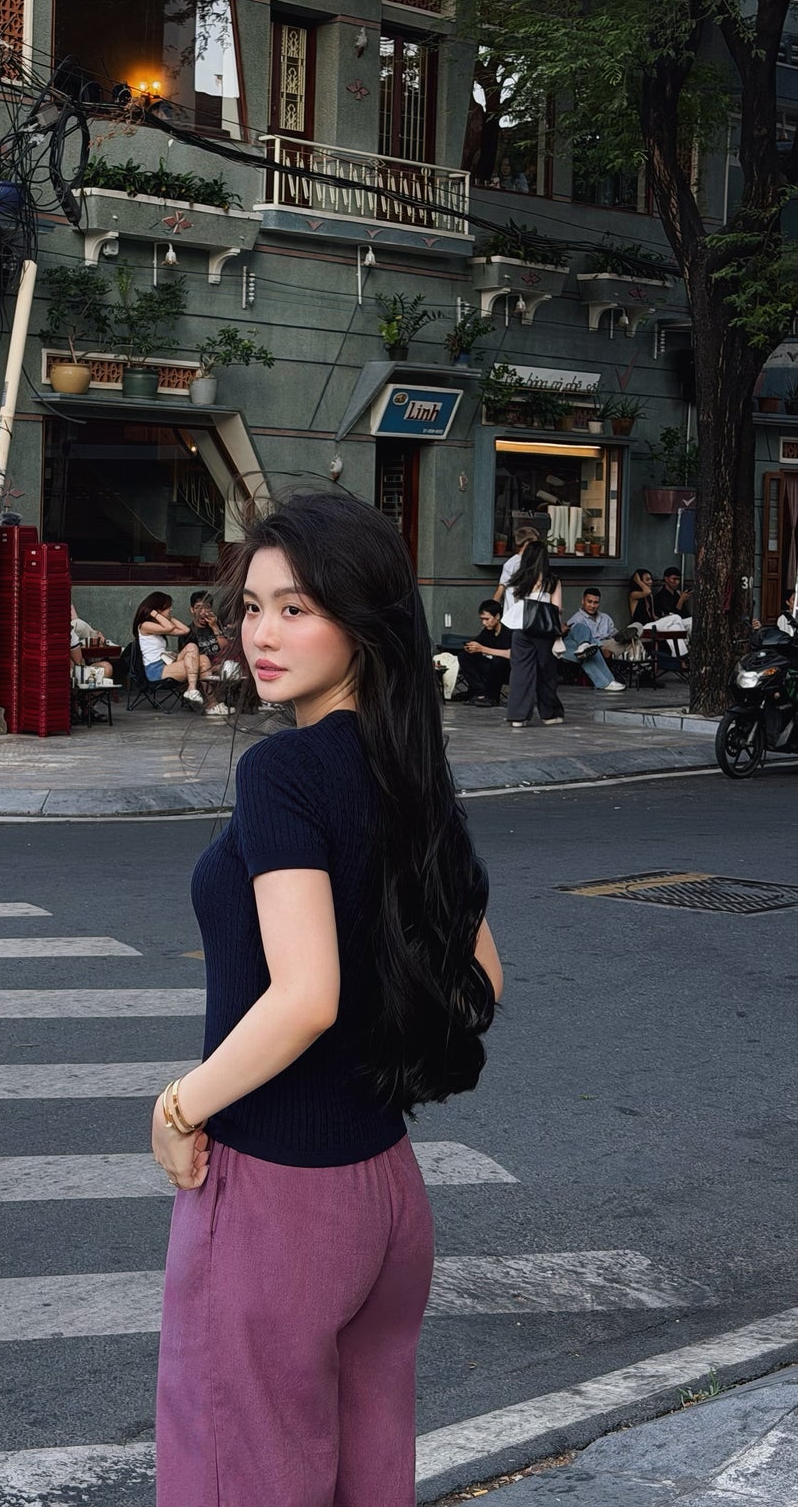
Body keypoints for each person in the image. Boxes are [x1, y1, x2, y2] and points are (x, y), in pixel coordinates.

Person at [153, 489, 501, 1505]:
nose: (261, 632)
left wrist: (178, 1105)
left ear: (362, 619)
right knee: (364, 1482)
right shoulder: (411, 767)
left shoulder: (285, 772)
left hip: (273, 1197)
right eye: (253, 605)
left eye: (296, 607)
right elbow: (481, 973)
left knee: (236, 1477)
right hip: (383, 1193)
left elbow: (303, 996)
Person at [498, 532, 564, 728]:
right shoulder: (553, 581)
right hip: (544, 630)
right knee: (546, 672)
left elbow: (514, 605)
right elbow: (557, 608)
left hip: (521, 630)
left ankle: (518, 716)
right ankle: (549, 714)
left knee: (520, 672)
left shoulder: (519, 580)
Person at [133, 591, 207, 704]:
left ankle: (211, 703)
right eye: (168, 607)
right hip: (156, 671)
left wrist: (168, 617)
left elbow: (185, 630)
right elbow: (169, 627)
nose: (171, 610)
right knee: (201, 662)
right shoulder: (144, 625)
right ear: (158, 609)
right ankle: (193, 690)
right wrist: (155, 614)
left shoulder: (159, 626)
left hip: (167, 664)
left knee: (197, 652)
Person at [558, 587, 627, 692]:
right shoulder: (577, 619)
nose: (592, 605)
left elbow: (614, 633)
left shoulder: (605, 617)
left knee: (588, 652)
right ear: (583, 601)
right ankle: (606, 682)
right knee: (585, 643)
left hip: (604, 643)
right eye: (589, 602)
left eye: (595, 603)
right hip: (573, 646)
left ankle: (608, 682)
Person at [455, 600, 512, 705]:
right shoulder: (488, 631)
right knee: (464, 656)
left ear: (497, 616)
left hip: (507, 670)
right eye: (482, 619)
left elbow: (511, 654)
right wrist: (471, 647)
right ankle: (479, 691)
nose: (484, 623)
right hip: (490, 668)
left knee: (498, 660)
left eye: (487, 619)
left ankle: (491, 697)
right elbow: (478, 642)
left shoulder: (508, 631)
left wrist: (482, 649)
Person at [70, 604, 113, 683]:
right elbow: (78, 661)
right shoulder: (72, 630)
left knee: (106, 667)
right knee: (79, 624)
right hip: (70, 674)